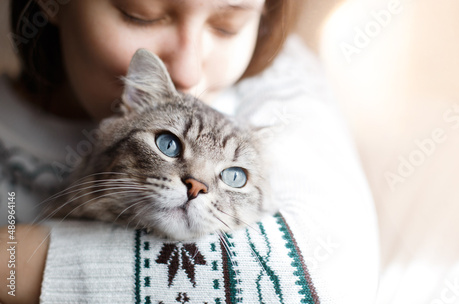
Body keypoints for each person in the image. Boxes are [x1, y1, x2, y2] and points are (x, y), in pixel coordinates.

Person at [0, 0, 379, 303]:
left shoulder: (281, 86)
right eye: (141, 14)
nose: (187, 69)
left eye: (227, 24)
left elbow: (329, 281)